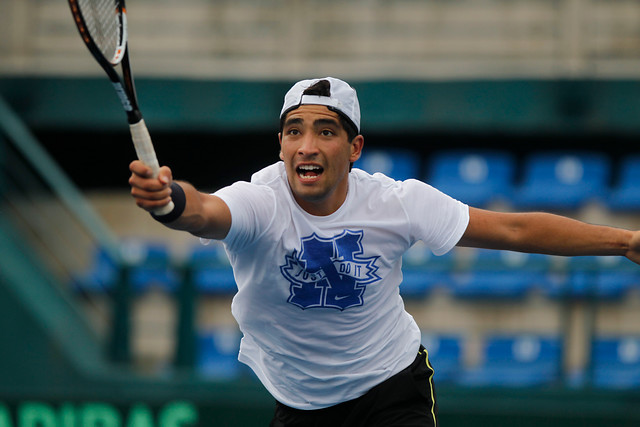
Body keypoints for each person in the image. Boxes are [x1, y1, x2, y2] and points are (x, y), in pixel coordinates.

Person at [129, 77, 640, 427]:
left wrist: (627, 242)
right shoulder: (259, 201)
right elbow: (204, 211)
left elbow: (514, 230)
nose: (307, 145)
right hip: (299, 403)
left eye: (325, 131)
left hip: (392, 388)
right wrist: (170, 201)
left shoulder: (398, 202)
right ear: (281, 145)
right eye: (294, 131)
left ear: (354, 149)